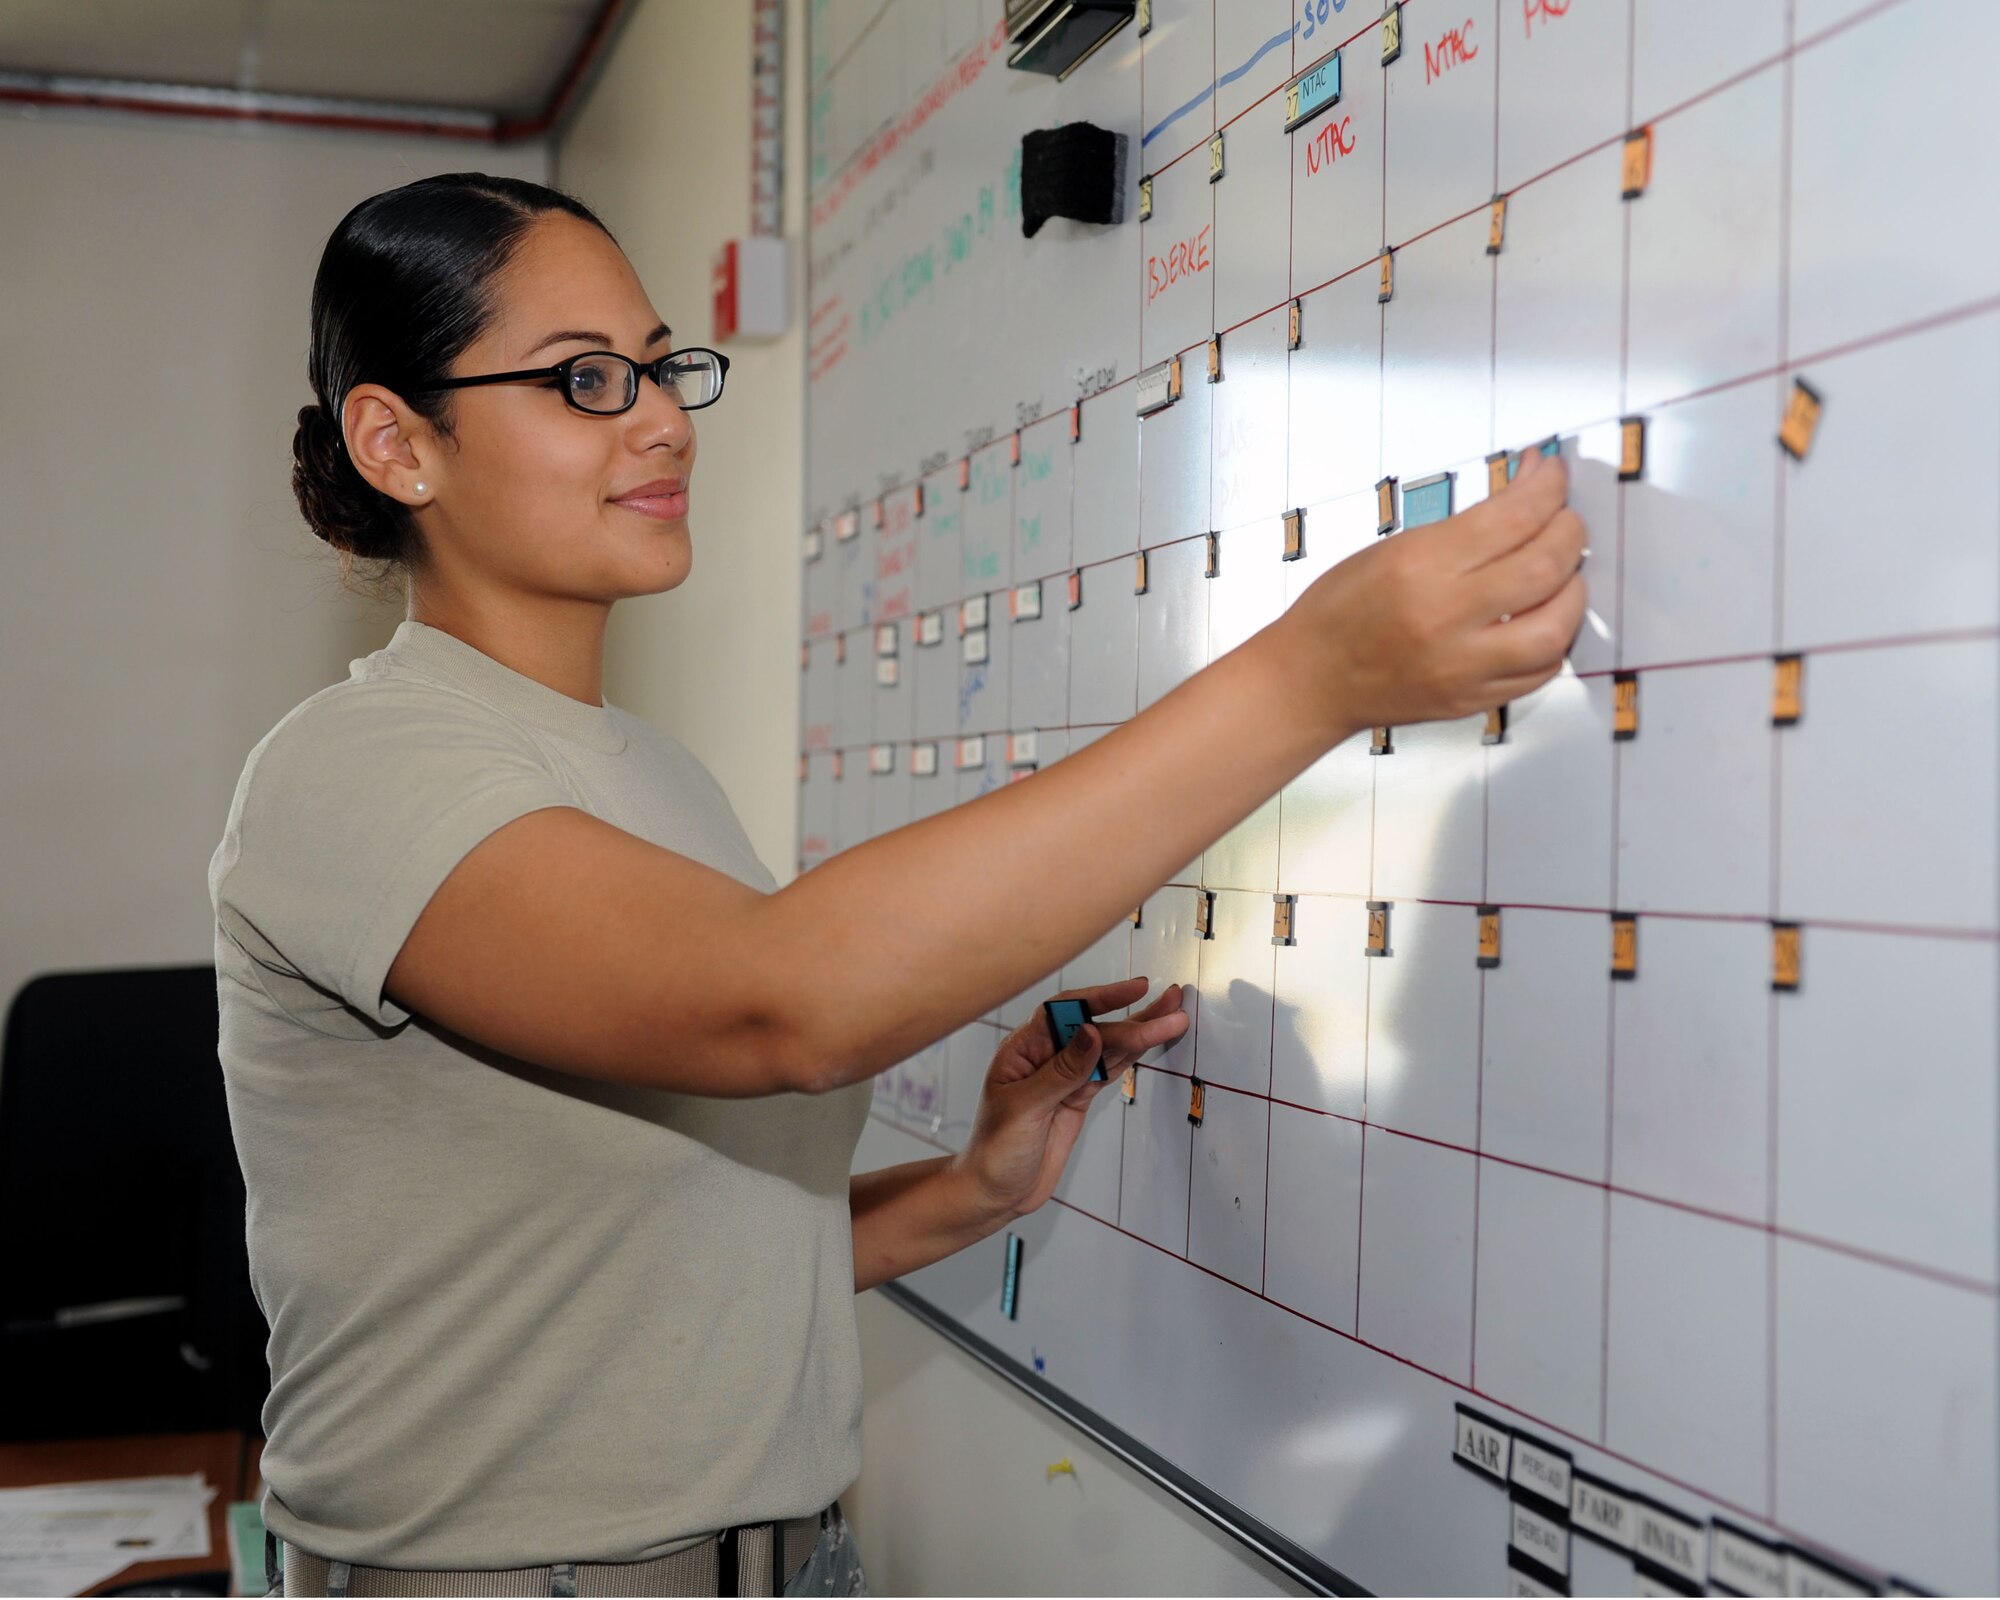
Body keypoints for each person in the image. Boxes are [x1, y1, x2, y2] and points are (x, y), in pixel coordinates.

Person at [209, 172, 1585, 1599]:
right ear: (397, 442)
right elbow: (783, 1004)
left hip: (794, 1563)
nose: (667, 417)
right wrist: (1315, 676)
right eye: (586, 380)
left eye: (665, 367)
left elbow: (658, 1263)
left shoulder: (655, 781)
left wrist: (969, 1192)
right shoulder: (350, 775)